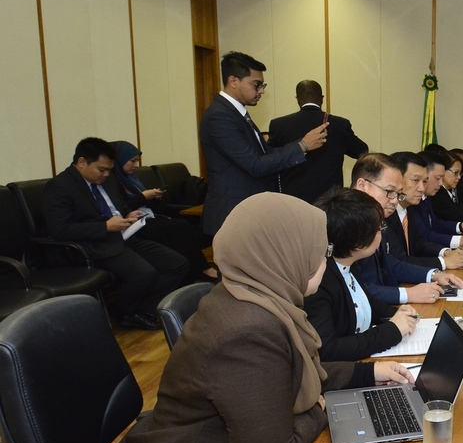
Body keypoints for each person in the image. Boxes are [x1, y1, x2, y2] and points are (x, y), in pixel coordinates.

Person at [97, 193, 414, 443]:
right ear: (282, 255)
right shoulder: (248, 327)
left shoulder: (251, 294)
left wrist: (368, 375)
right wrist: (319, 407)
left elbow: (297, 372)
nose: (322, 260)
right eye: (318, 252)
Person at [42, 138, 189, 330]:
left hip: (125, 235)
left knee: (177, 264)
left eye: (109, 170)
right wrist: (105, 227)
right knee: (144, 274)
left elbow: (118, 207)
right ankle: (124, 313)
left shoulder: (107, 180)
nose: (106, 174)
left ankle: (140, 309)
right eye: (101, 169)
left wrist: (128, 214)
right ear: (82, 162)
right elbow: (60, 229)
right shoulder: (59, 187)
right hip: (93, 246)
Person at [198, 52, 329, 235]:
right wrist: (302, 146)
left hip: (249, 212)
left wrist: (302, 144)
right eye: (256, 85)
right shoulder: (220, 116)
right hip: (234, 214)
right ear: (233, 81)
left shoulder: (236, 113)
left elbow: (265, 154)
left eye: (262, 85)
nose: (261, 91)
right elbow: (255, 165)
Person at [306, 188, 418, 362]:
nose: (382, 232)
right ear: (358, 242)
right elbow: (328, 350)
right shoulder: (319, 281)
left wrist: (395, 313)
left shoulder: (347, 263)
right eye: (379, 228)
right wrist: (392, 330)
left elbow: (362, 301)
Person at [348, 153, 463, 305]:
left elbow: (391, 264)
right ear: (362, 185)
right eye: (389, 191)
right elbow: (355, 290)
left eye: (397, 193)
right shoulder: (346, 223)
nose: (395, 201)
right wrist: (408, 294)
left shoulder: (373, 219)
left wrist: (433, 274)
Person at [110, 141, 218, 283]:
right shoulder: (112, 182)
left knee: (184, 227)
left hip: (148, 217)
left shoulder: (131, 179)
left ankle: (195, 272)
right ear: (120, 160)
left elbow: (150, 207)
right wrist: (143, 197)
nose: (136, 165)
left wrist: (154, 198)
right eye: (132, 161)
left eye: (137, 161)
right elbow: (121, 208)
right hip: (132, 226)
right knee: (178, 226)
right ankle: (201, 270)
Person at [268, 80, 369, 203]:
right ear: (322, 99)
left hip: (292, 199)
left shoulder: (279, 125)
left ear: (298, 99)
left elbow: (271, 159)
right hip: (329, 200)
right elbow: (362, 151)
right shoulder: (339, 124)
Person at [385, 151, 463, 270]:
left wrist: (445, 252)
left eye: (424, 181)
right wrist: (443, 262)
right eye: (415, 180)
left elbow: (419, 243)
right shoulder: (386, 213)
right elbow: (399, 260)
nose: (421, 188)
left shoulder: (409, 209)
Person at [410, 150, 463, 250]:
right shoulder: (413, 202)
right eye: (438, 178)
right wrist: (460, 242)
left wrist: (461, 226)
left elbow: (435, 224)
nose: (441, 183)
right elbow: (424, 236)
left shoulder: (425, 198)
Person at [432, 153, 463, 222]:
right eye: (456, 173)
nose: (459, 177)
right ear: (443, 170)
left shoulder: (445, 191)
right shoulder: (437, 193)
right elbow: (455, 216)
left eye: (460, 173)